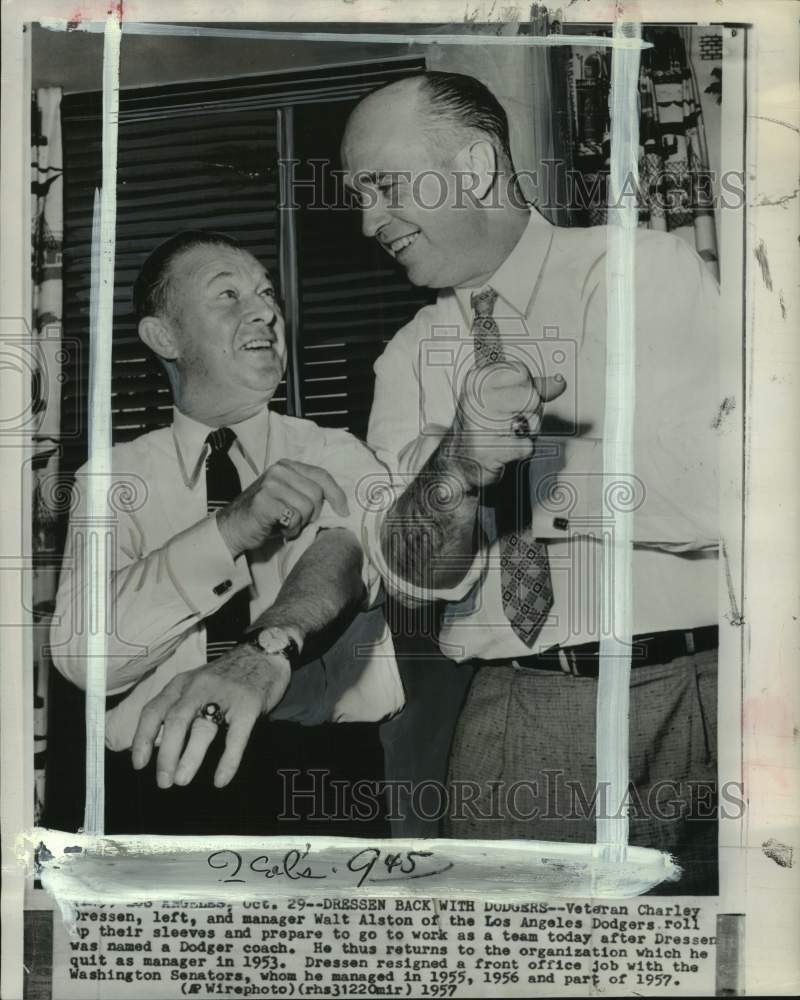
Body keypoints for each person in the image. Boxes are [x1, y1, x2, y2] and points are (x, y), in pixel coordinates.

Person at [342, 72, 721, 891]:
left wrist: (531, 461)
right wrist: (458, 467)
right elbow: (413, 570)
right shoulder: (407, 357)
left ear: (476, 166)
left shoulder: (642, 272)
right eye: (357, 196)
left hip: (702, 693)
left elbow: (714, 497)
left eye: (383, 185)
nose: (370, 221)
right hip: (524, 713)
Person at [50, 230, 404, 836]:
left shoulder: (338, 453)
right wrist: (229, 530)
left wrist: (260, 655)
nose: (265, 309)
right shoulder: (113, 479)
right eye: (229, 295)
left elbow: (350, 557)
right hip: (157, 785)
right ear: (165, 336)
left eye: (268, 293)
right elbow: (87, 657)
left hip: (319, 779)